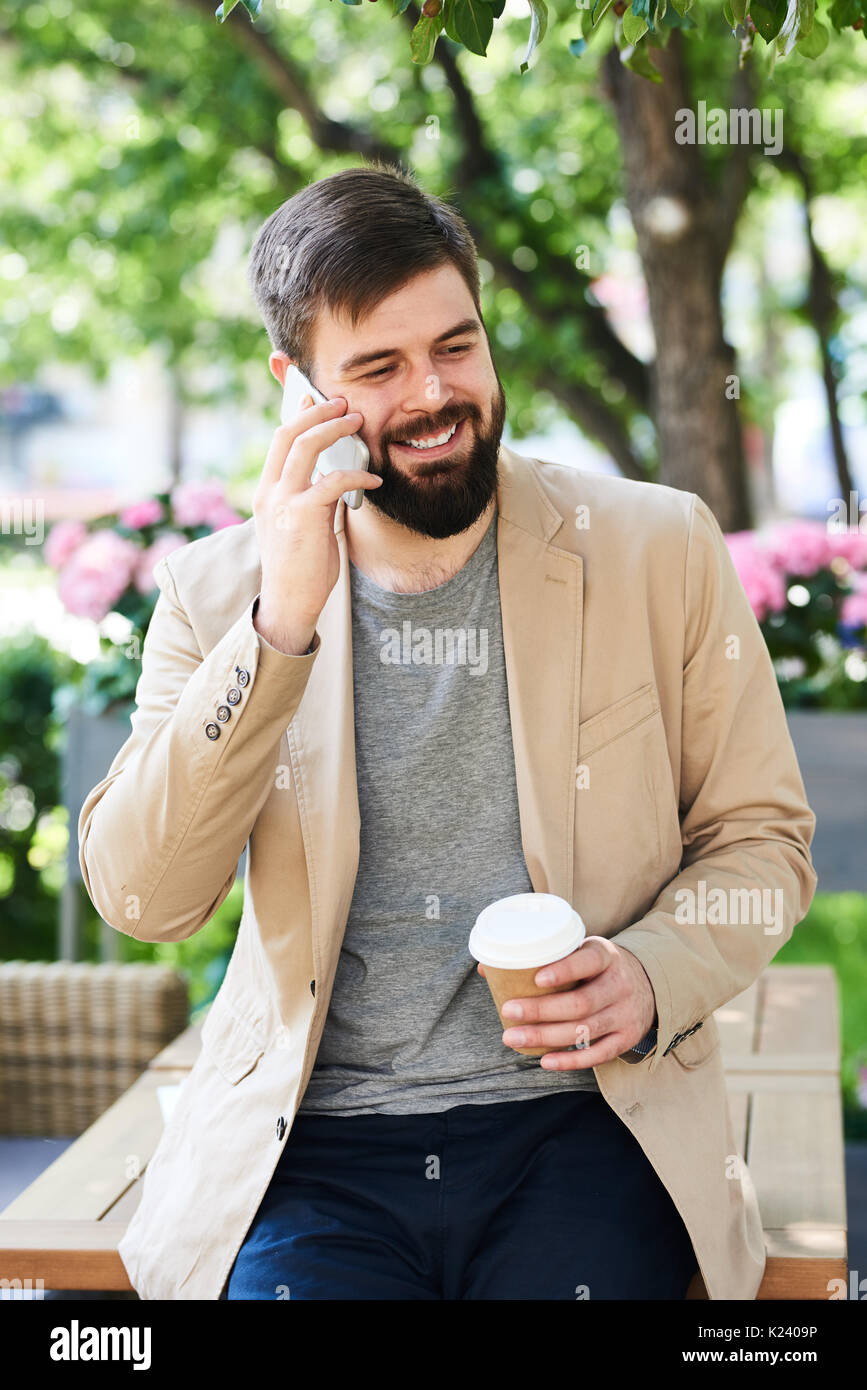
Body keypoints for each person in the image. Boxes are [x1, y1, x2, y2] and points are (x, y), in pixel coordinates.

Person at [78, 161, 817, 1301]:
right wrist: (280, 623)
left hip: (586, 1126)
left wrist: (652, 972)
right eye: (377, 367)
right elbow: (142, 899)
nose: (434, 394)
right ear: (297, 387)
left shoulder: (656, 547)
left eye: (456, 346)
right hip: (313, 1150)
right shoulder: (218, 595)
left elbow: (763, 840)